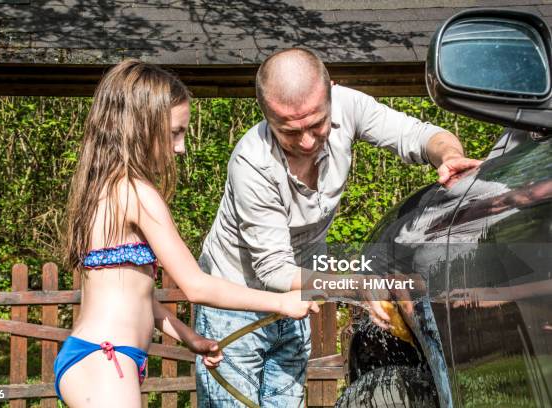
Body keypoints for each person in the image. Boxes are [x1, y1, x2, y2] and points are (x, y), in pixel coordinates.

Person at [195, 48, 482, 407]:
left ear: (331, 92)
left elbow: (419, 135)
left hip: (297, 300)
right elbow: (273, 269)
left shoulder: (348, 105)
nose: (307, 141)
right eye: (289, 131)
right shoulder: (251, 162)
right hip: (233, 300)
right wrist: (354, 285)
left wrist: (449, 155)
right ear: (266, 115)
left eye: (317, 124)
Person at [53, 59, 319, 408]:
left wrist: (189, 337)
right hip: (106, 361)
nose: (180, 148)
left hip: (96, 358)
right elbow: (195, 285)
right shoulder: (136, 194)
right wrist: (280, 302)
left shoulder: (101, 190)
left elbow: (136, 296)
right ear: (141, 127)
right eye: (175, 133)